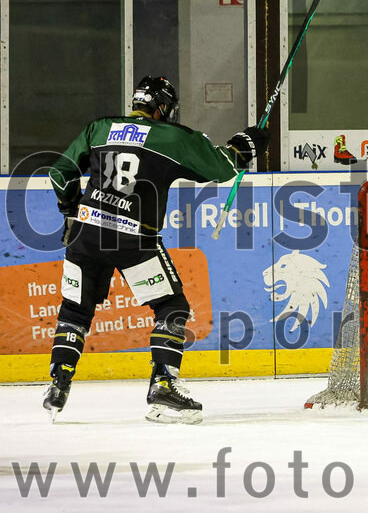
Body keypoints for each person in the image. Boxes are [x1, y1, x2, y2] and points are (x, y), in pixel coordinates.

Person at [45, 76, 269, 424]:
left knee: (75, 309)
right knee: (171, 305)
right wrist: (250, 143)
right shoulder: (173, 137)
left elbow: (60, 175)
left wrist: (70, 210)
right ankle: (163, 385)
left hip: (86, 234)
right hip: (133, 238)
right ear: (163, 108)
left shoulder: (100, 127)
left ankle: (58, 385)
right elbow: (224, 166)